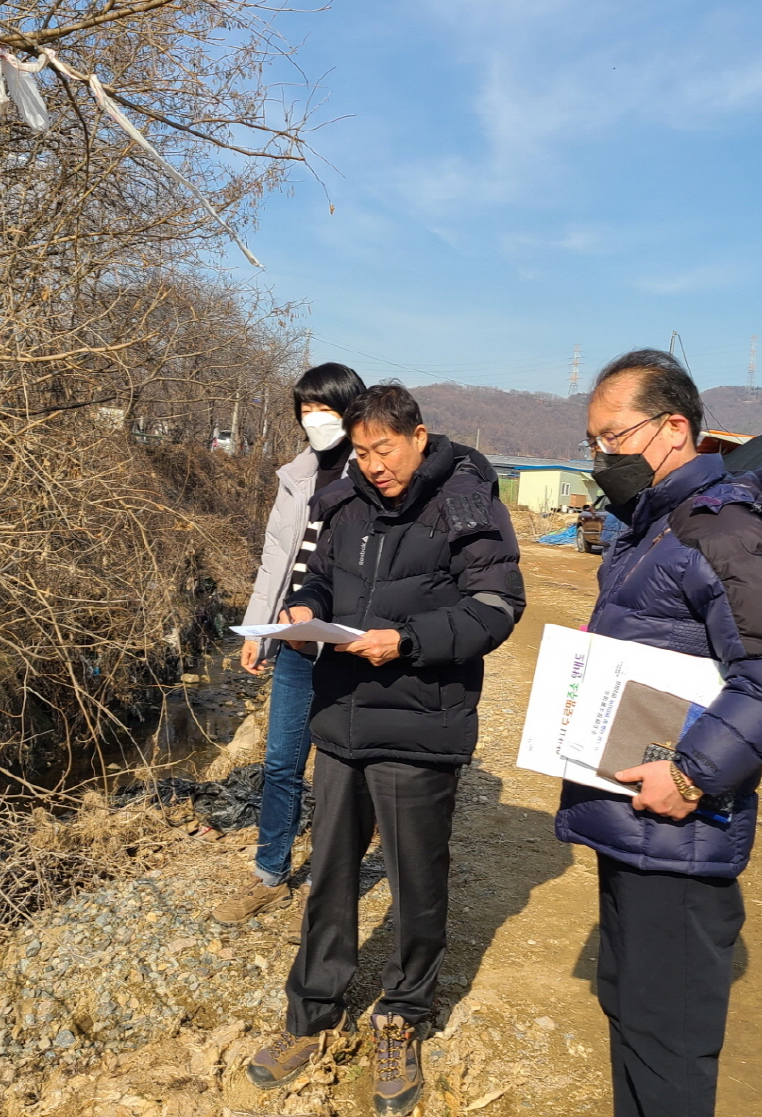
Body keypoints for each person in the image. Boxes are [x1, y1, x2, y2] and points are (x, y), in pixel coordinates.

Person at [245, 384, 525, 1117]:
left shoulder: (464, 501)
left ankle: (403, 1015)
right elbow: (317, 576)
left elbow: (497, 607)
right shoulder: (343, 499)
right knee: (330, 873)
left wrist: (408, 640)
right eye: (361, 451)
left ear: (420, 436)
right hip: (342, 721)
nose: (372, 465)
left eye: (384, 449)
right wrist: (304, 609)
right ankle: (311, 1013)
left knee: (414, 880)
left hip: (420, 724)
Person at [559, 349, 762, 1117]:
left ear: (675, 427)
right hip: (636, 825)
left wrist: (694, 772)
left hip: (680, 829)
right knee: (633, 1015)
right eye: (593, 441)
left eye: (614, 436)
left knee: (667, 1043)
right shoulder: (656, 528)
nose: (602, 456)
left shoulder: (724, 531)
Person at [213, 363, 367, 928]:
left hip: (351, 647)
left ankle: (336, 877)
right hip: (297, 642)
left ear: (352, 408)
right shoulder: (296, 474)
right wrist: (259, 631)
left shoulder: (372, 470)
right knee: (281, 763)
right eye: (306, 409)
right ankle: (269, 872)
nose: (315, 419)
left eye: (325, 407)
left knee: (344, 767)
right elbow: (275, 560)